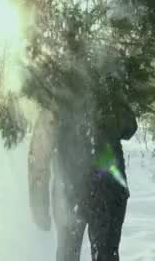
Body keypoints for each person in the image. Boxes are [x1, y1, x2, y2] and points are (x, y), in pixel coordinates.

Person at [28, 100, 137, 261]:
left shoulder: (57, 94)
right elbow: (129, 127)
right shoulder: (107, 88)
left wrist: (39, 205)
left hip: (79, 189)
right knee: (101, 254)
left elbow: (39, 154)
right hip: (97, 188)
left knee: (71, 254)